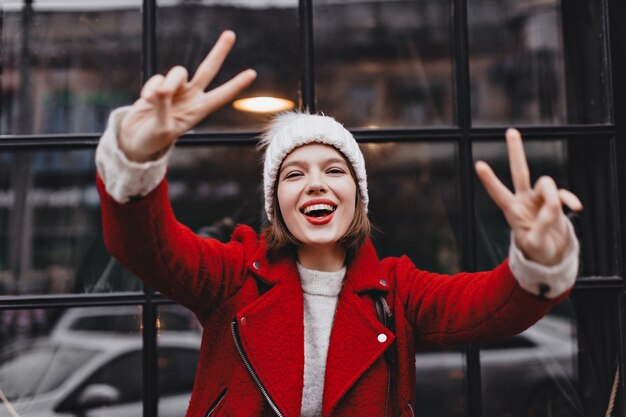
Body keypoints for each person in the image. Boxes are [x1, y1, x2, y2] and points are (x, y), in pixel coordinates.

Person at [95, 31, 581, 417]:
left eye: (333, 171)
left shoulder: (397, 291)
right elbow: (146, 246)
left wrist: (541, 258)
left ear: (357, 196)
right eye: (293, 174)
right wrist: (139, 157)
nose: (315, 185)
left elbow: (490, 306)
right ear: (276, 203)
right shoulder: (233, 275)